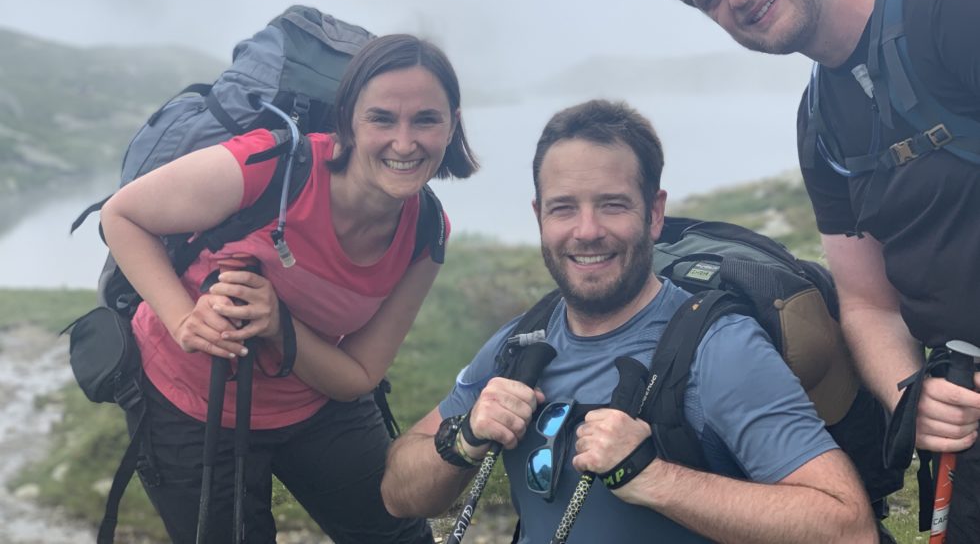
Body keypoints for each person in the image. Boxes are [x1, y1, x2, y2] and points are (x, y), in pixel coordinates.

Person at [648, 0, 980, 541]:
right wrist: (908, 396)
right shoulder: (821, 121)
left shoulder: (949, 4)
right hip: (963, 410)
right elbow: (868, 302)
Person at [381, 99, 875, 543]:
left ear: (654, 214)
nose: (587, 231)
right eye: (564, 209)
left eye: (612, 205)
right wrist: (463, 438)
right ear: (539, 217)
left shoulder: (719, 349)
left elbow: (847, 526)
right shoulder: (519, 343)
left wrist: (654, 478)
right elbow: (399, 493)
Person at [100, 33, 478, 543]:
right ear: (348, 120)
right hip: (190, 402)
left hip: (315, 403)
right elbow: (121, 215)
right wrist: (183, 319)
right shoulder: (268, 168)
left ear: (452, 124)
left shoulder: (427, 231)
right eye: (382, 118)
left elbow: (358, 375)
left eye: (426, 120)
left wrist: (279, 325)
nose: (405, 142)